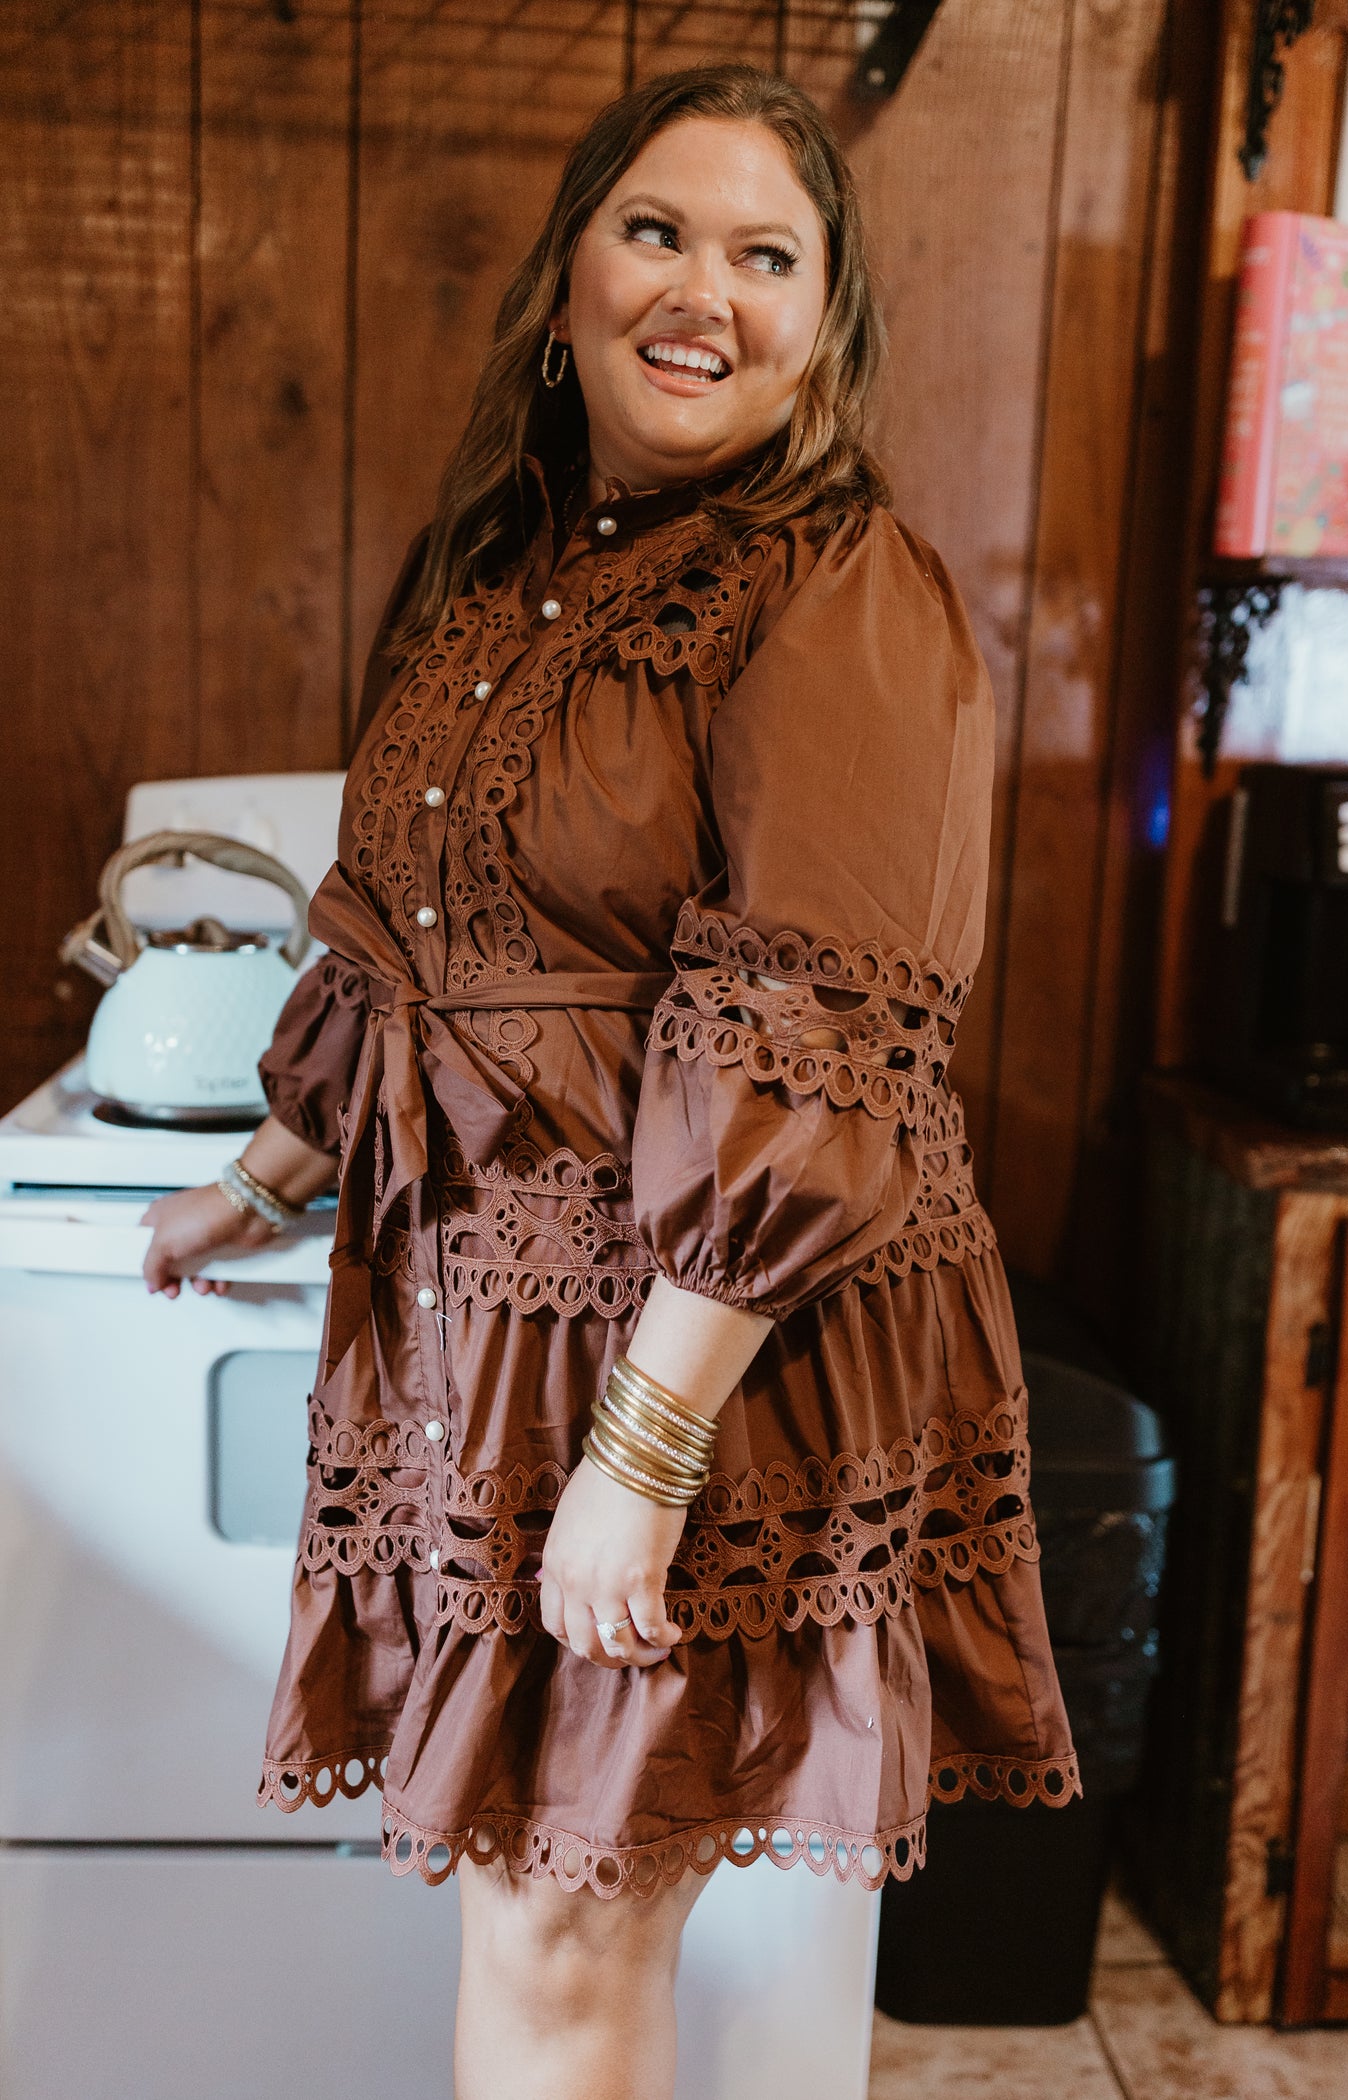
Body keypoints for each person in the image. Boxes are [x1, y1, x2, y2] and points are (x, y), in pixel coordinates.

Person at [142, 61, 1077, 2100]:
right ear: (568, 277)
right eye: (659, 229)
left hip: (693, 1345)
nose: (706, 290)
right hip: (489, 1336)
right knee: (521, 1895)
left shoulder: (832, 588)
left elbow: (811, 1049)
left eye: (770, 256)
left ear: (823, 325)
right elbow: (410, 930)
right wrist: (279, 1163)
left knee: (568, 1931)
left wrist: (641, 1458)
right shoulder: (505, 565)